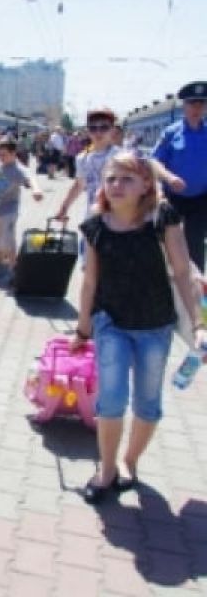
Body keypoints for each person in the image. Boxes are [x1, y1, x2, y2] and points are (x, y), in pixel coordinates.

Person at [73, 151, 206, 504]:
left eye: (127, 179)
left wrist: (199, 324)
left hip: (155, 324)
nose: (116, 185)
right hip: (110, 323)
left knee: (147, 403)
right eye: (111, 179)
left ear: (146, 184)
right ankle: (106, 470)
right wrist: (82, 329)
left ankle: (130, 461)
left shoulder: (163, 218)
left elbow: (182, 272)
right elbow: (90, 282)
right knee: (111, 399)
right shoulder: (96, 223)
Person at [150, 81, 207, 273]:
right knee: (168, 241)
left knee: (195, 244)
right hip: (173, 198)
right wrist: (169, 177)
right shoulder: (171, 133)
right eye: (192, 103)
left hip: (200, 199)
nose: (197, 108)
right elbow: (154, 161)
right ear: (184, 106)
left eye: (201, 103)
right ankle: (167, 281)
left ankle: (196, 287)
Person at [0, 136, 43, 284]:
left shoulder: (19, 169)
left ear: (13, 153)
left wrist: (36, 190)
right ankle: (1, 263)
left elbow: (31, 178)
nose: (1, 158)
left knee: (8, 240)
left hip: (9, 210)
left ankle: (13, 270)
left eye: (4, 155)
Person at [56, 108, 122, 223]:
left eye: (104, 127)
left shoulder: (122, 157)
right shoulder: (82, 158)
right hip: (92, 220)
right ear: (88, 131)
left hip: (119, 222)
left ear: (112, 130)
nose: (98, 132)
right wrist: (64, 208)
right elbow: (79, 185)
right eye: (93, 128)